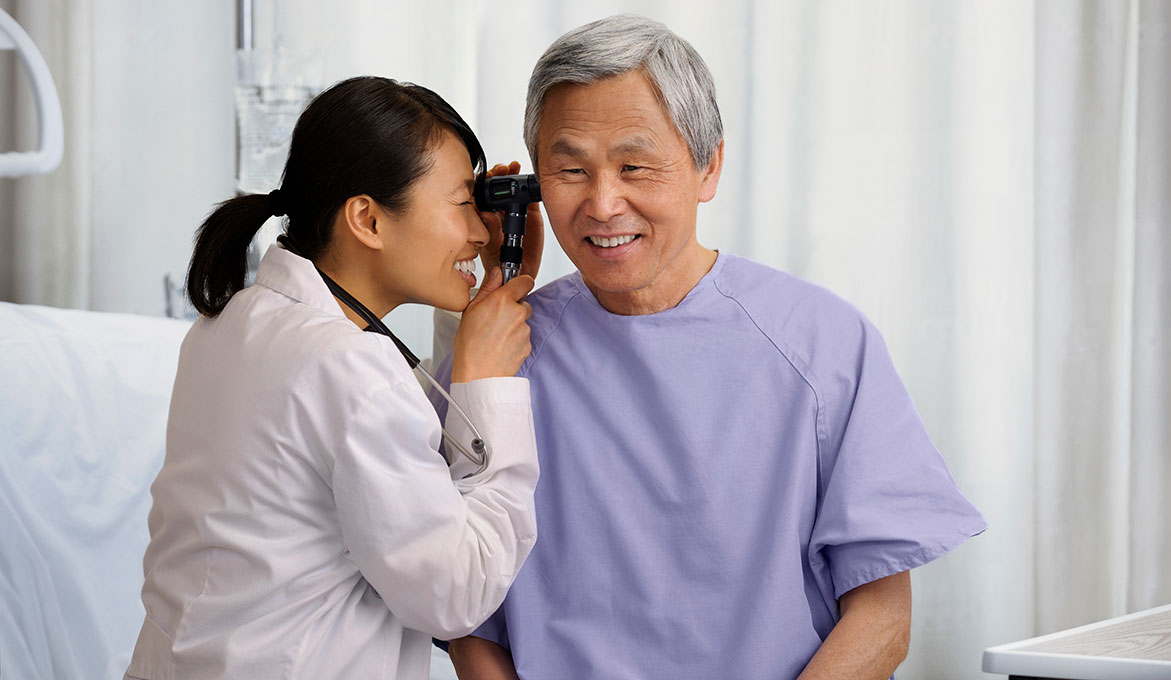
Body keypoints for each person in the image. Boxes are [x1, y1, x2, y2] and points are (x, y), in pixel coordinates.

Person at [444, 15, 987, 680]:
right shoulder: (497, 360)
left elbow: (881, 619)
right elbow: (466, 617)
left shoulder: (822, 344)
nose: (603, 203)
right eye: (569, 169)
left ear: (709, 166)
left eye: (635, 165)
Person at [126, 76, 543, 680]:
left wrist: (477, 309)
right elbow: (455, 594)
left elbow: (393, 465)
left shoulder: (235, 323)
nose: (480, 230)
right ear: (368, 219)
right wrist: (487, 383)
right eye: (460, 203)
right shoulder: (349, 370)